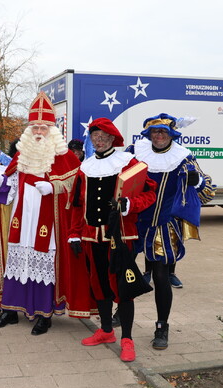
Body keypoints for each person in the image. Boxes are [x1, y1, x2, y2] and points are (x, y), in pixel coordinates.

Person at [0, 92, 84, 335]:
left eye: (44, 127)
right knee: (16, 260)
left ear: (52, 128)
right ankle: (9, 310)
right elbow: (10, 187)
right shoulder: (22, 154)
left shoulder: (64, 156)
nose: (39, 131)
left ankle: (43, 314)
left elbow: (79, 188)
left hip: (47, 220)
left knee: (43, 263)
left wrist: (54, 187)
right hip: (21, 217)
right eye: (35, 127)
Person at [68, 118, 156, 361]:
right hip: (90, 236)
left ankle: (127, 339)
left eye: (103, 136)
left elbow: (150, 193)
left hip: (119, 236)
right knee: (100, 286)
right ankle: (106, 330)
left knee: (123, 288)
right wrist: (74, 234)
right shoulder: (84, 167)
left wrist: (130, 205)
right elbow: (77, 205)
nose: (99, 140)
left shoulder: (127, 163)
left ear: (112, 139)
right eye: (95, 135)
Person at [127, 113, 214, 350]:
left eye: (163, 132)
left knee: (161, 277)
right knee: (125, 269)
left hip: (163, 225)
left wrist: (197, 182)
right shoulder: (136, 151)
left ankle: (161, 326)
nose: (158, 136)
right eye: (155, 132)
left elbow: (206, 191)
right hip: (134, 221)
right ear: (149, 134)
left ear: (171, 135)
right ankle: (121, 311)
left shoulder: (183, 158)